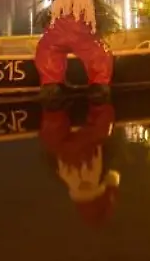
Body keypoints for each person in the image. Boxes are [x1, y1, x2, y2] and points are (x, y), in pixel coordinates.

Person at [34, 0, 119, 100]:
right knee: (98, 53)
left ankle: (51, 84)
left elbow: (47, 17)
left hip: (55, 35)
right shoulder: (91, 0)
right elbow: (100, 19)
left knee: (47, 49)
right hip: (84, 36)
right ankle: (99, 85)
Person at [39, 96, 120, 227]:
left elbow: (111, 148)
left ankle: (98, 96)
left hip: (90, 126)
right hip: (62, 128)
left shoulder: (104, 170)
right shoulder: (59, 175)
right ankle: (53, 99)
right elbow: (48, 152)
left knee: (103, 120)